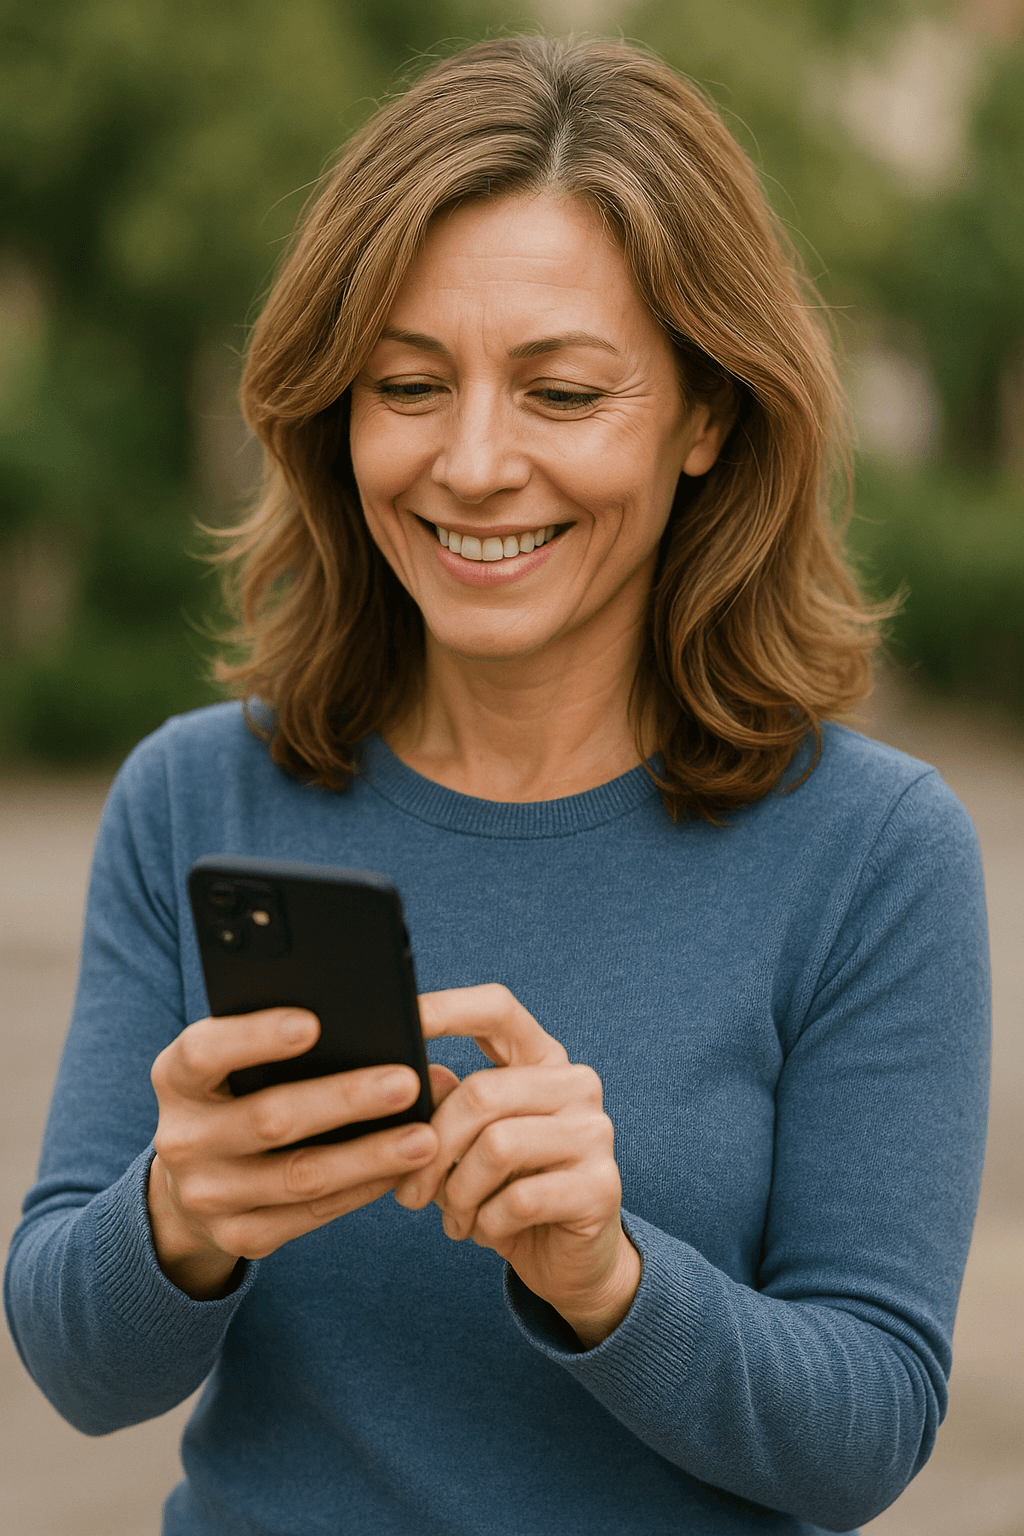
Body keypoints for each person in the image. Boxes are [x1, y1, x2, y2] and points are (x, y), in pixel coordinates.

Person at [4, 34, 989, 1536]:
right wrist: (174, 1218)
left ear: (707, 418)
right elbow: (76, 1369)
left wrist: (611, 1277)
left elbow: (866, 1437)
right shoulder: (193, 798)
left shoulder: (872, 851)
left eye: (562, 392)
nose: (471, 462)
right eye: (408, 383)